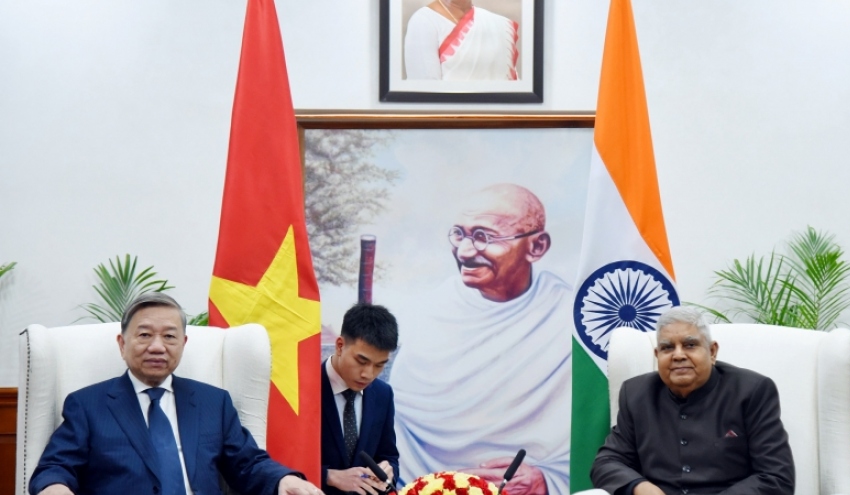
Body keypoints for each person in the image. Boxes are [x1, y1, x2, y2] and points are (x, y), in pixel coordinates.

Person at [29, 292, 324, 495]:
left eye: (169, 336)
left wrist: (284, 480)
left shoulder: (213, 402)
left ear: (183, 343)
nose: (157, 347)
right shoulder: (88, 404)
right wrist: (55, 487)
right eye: (144, 335)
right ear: (122, 344)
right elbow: (56, 466)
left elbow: (248, 464)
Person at [389, 183, 571, 495]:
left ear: (536, 247)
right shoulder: (430, 313)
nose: (464, 252)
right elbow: (399, 429)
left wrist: (548, 480)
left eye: (484, 237)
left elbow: (598, 430)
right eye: (459, 234)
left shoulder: (567, 316)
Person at [590, 306, 796, 495]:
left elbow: (776, 476)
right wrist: (640, 487)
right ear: (657, 355)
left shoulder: (751, 391)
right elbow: (607, 462)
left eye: (690, 345)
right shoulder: (636, 394)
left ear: (712, 352)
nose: (678, 355)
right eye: (667, 348)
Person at [321, 303, 400, 495]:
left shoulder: (383, 394)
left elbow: (389, 455)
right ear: (340, 346)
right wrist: (328, 476)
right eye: (361, 361)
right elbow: (280, 459)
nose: (368, 374)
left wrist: (388, 471)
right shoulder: (303, 389)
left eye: (379, 365)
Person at [404, 0, 519, 80]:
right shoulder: (424, 21)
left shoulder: (497, 24)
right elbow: (425, 91)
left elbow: (513, 87)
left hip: (498, 108)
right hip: (448, 108)